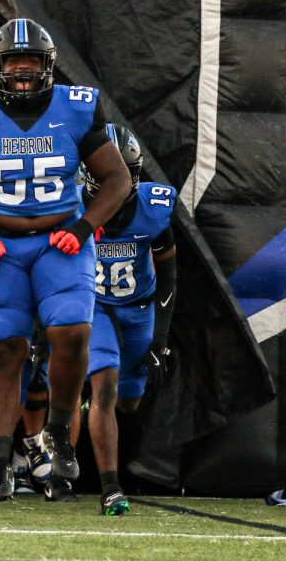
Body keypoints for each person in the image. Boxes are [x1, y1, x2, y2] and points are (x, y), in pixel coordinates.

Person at [0, 18, 131, 505]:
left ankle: (57, 431)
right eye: (12, 62)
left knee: (73, 333)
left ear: (49, 67)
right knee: (3, 350)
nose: (21, 71)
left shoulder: (76, 107)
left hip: (61, 238)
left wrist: (82, 228)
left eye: (31, 62)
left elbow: (117, 179)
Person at [82, 124, 177, 516]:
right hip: (95, 306)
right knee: (104, 384)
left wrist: (161, 336)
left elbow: (169, 274)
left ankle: (93, 414)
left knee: (130, 401)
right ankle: (110, 487)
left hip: (138, 308)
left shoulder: (153, 210)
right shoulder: (72, 203)